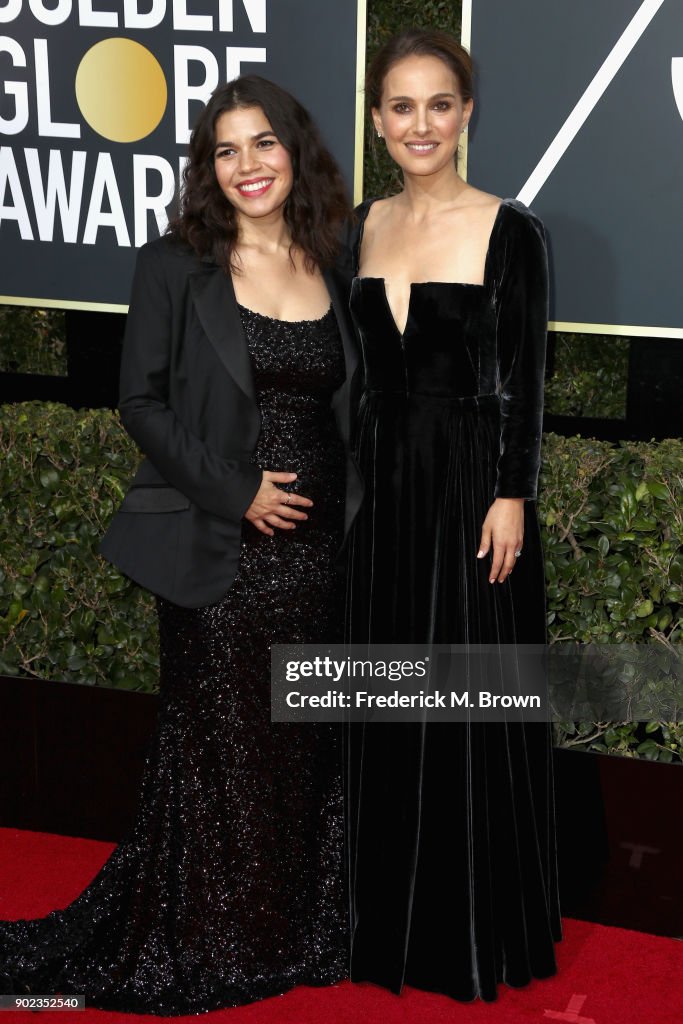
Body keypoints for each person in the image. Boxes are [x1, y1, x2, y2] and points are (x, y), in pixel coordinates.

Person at [0, 75, 362, 1014]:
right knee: (220, 746)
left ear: (296, 152)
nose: (247, 165)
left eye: (263, 144)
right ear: (208, 168)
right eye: (225, 150)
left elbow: (352, 404)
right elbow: (141, 401)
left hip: (319, 551)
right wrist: (236, 489)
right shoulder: (176, 264)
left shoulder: (333, 256)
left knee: (300, 741)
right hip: (218, 544)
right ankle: (214, 933)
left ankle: (293, 925)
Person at [344, 30, 562, 1002]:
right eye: (399, 105)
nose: (418, 123)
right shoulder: (357, 226)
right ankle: (377, 922)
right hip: (378, 491)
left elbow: (525, 378)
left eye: (438, 103)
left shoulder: (508, 230)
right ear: (377, 118)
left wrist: (511, 491)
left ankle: (468, 931)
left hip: (472, 489)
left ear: (465, 113)